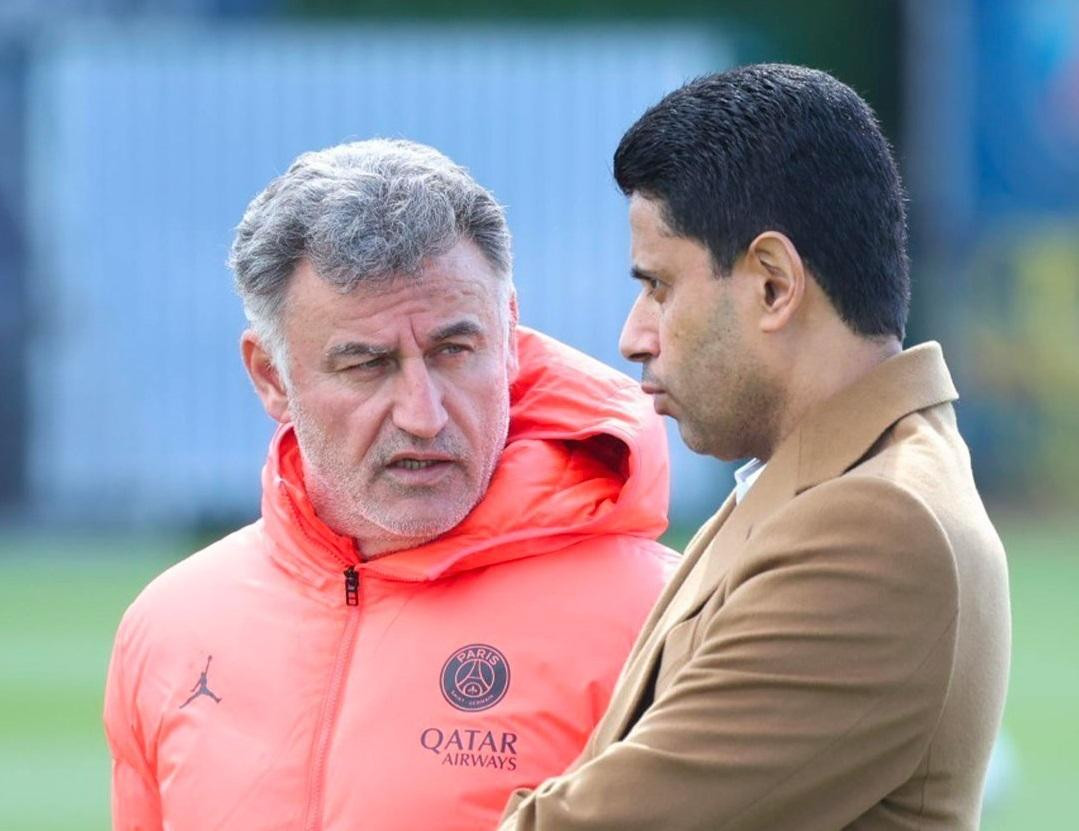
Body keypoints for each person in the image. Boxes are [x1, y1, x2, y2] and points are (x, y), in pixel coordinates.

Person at [103, 139, 677, 831]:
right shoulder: (169, 625)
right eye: (366, 364)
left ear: (509, 333)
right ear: (270, 377)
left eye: (453, 352)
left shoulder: (663, 620)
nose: (423, 412)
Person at [499, 64, 1010, 831]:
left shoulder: (876, 524)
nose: (632, 334)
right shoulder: (817, 481)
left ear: (773, 284)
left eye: (659, 286)